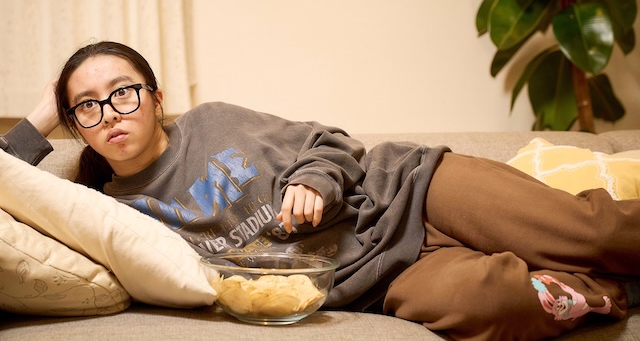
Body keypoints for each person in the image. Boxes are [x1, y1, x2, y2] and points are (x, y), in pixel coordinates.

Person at [2, 40, 640, 340]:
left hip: (408, 190)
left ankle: (600, 260)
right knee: (492, 304)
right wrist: (43, 114)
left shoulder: (214, 121)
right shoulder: (107, 211)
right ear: (76, 126)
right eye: (86, 106)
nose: (110, 113)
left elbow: (331, 142)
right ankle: (610, 291)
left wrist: (313, 179)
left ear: (155, 96)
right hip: (374, 279)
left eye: (123, 92)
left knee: (595, 231)